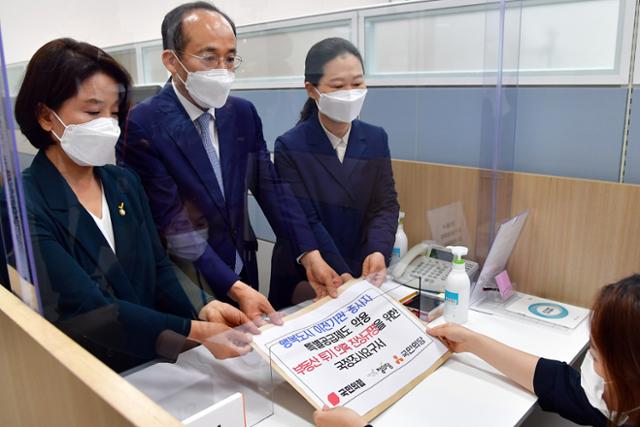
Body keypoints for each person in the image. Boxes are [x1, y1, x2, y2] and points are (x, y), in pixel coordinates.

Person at [13, 38, 258, 372]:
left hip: (154, 364)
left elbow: (158, 267)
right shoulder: (23, 203)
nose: (108, 125)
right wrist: (195, 331)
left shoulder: (123, 182)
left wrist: (204, 306)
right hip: (90, 373)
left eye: (114, 113)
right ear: (45, 116)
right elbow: (88, 308)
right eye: (92, 111)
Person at [116, 2, 342, 322]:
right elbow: (172, 223)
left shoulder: (242, 113)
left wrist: (309, 253)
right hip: (194, 283)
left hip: (243, 268)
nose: (222, 69)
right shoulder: (144, 123)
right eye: (209, 57)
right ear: (172, 60)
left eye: (230, 57)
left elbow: (271, 187)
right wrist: (233, 287)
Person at [313, 274, 640, 427]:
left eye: (597, 357)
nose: (593, 372)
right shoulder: (627, 398)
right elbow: (569, 388)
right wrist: (475, 343)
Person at [269, 38, 399, 309]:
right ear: (312, 90)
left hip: (360, 269)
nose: (350, 93)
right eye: (338, 86)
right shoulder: (291, 145)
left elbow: (385, 205)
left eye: (357, 83)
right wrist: (343, 274)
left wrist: (378, 251)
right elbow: (306, 218)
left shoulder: (376, 138)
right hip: (311, 272)